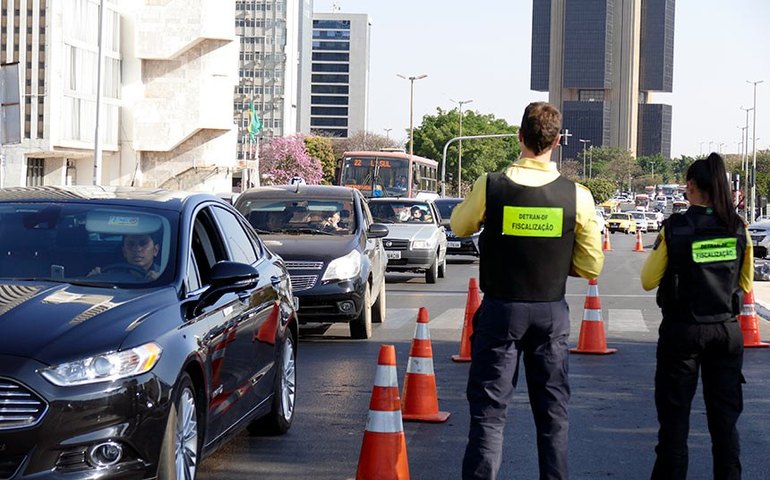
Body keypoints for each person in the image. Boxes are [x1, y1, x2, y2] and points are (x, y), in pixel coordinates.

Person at [451, 101, 604, 480]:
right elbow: (591, 266)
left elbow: (459, 226)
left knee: (489, 415)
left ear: (519, 137)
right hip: (551, 312)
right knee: (553, 414)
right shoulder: (577, 195)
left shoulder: (492, 185)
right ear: (557, 141)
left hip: (501, 310)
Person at [641, 153, 753, 480]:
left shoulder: (675, 228)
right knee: (725, 426)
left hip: (682, 333)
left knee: (674, 426)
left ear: (690, 186)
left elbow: (648, 281)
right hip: (725, 333)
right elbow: (745, 282)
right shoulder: (737, 228)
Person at [89, 233, 161, 281]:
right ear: (124, 252)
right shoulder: (109, 274)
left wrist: (159, 281)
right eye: (131, 244)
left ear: (155, 250)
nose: (137, 249)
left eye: (143, 244)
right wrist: (93, 279)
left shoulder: (165, 275)